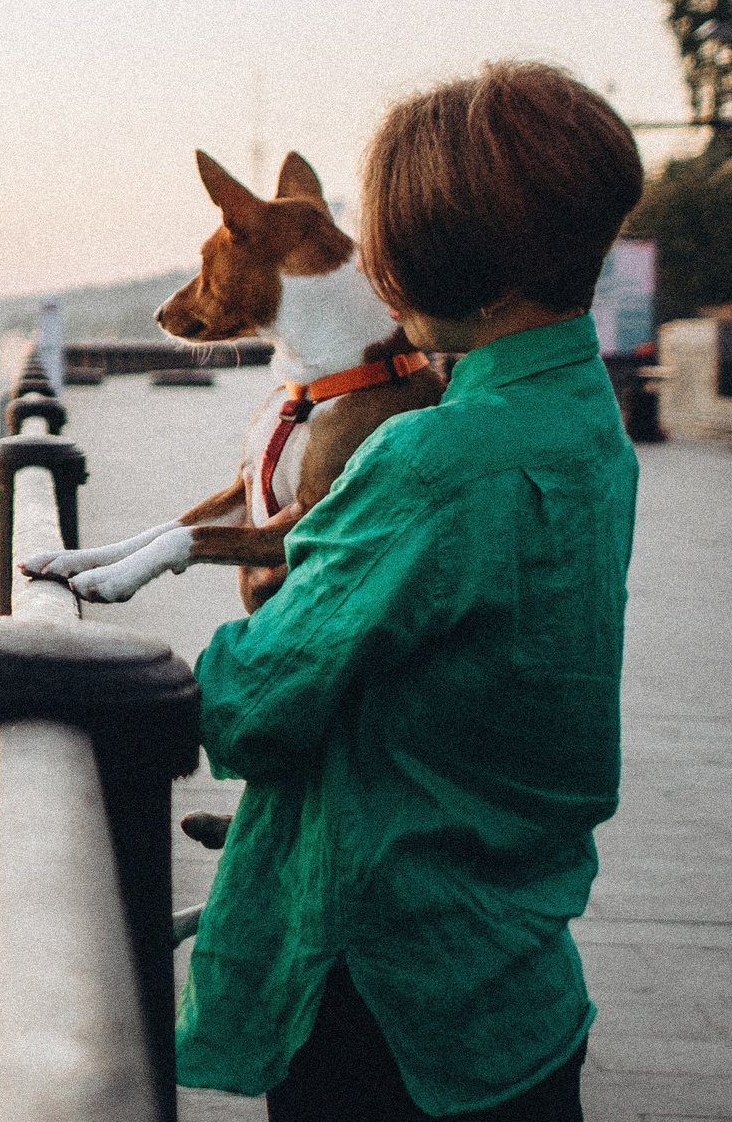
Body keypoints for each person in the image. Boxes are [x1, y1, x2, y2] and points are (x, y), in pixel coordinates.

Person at [174, 61, 646, 1120]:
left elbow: (252, 704)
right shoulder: (586, 421)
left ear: (439, 257)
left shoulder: (435, 459)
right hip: (519, 990)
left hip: (386, 1005)